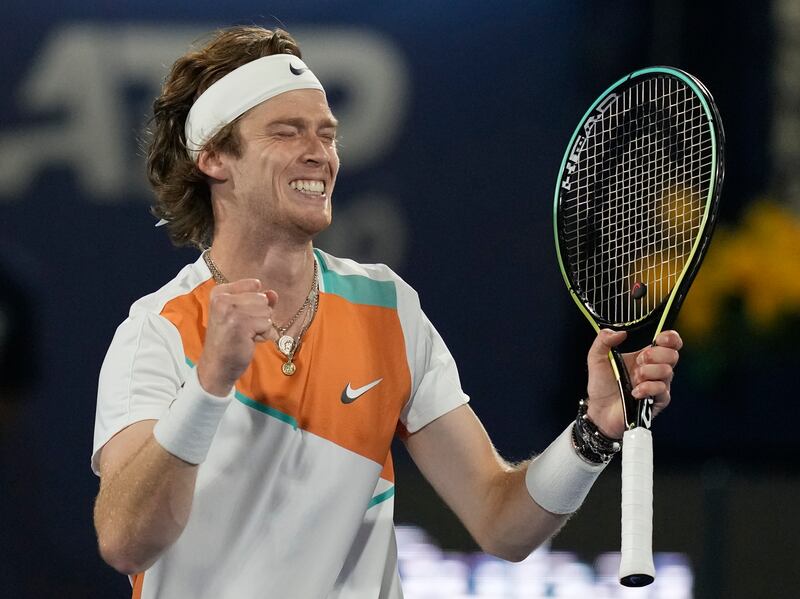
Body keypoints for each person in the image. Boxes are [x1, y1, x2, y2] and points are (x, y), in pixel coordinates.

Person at [91, 25, 682, 598]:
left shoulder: (388, 308)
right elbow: (124, 542)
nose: (319, 154)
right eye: (288, 132)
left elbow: (501, 522)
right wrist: (211, 382)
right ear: (215, 156)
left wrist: (596, 430)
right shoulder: (158, 331)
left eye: (327, 134)